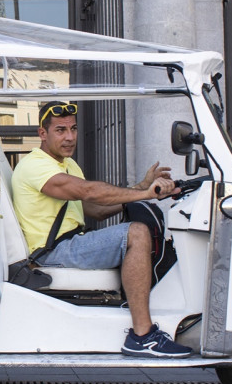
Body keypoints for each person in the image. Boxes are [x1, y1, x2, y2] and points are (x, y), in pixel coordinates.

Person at [11, 101, 191, 358]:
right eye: (60, 130)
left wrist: (142, 188)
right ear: (43, 133)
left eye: (73, 129)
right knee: (136, 232)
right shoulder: (34, 165)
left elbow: (96, 210)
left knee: (136, 231)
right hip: (52, 252)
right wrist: (144, 192)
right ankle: (142, 335)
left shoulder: (69, 165)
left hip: (72, 243)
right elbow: (89, 191)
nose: (70, 137)